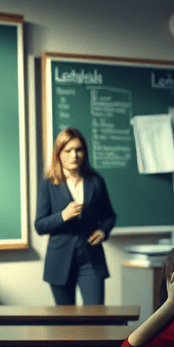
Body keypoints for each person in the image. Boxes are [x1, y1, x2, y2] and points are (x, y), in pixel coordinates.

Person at [34, 127, 116, 305]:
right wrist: (63, 215)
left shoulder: (95, 180)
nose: (74, 155)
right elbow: (39, 225)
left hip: (91, 259)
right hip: (59, 260)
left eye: (78, 149)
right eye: (68, 150)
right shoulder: (48, 184)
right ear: (58, 154)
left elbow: (109, 216)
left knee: (96, 317)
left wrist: (103, 231)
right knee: (65, 323)